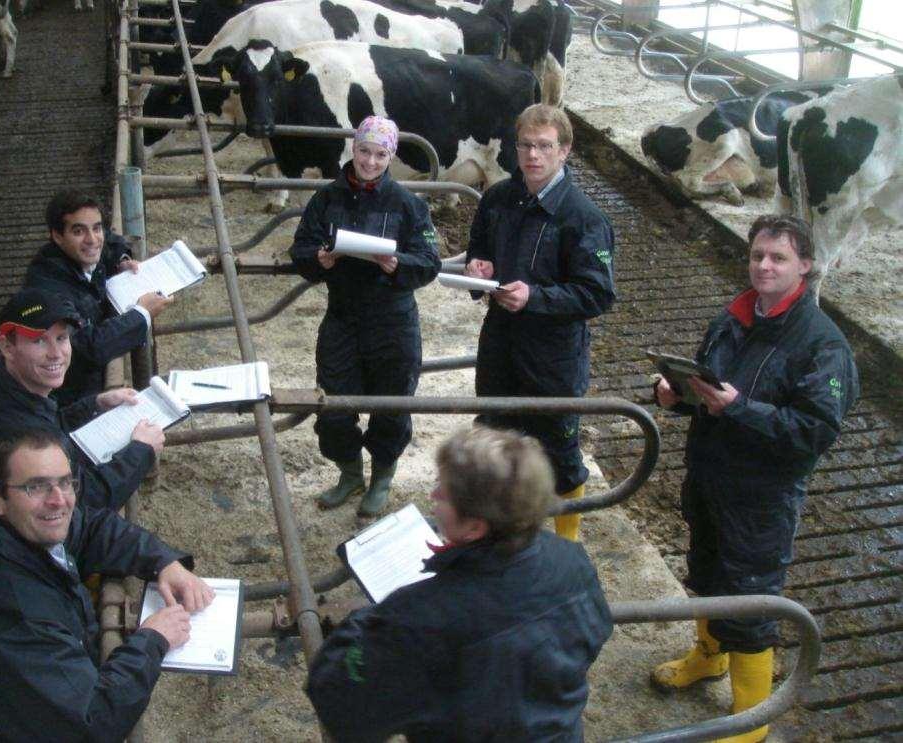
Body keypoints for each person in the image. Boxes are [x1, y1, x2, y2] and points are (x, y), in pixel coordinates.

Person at [649, 215, 858, 743]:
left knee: (749, 603)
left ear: (805, 266)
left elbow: (813, 431)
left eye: (779, 258)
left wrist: (740, 410)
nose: (764, 266)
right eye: (757, 255)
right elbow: (705, 382)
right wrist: (676, 394)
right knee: (705, 573)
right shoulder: (734, 316)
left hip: (762, 497)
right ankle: (707, 659)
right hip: (709, 477)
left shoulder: (823, 344)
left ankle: (750, 725)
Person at [305, 426, 613, 742]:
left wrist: (370, 622)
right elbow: (597, 633)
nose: (433, 494)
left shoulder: (418, 618)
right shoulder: (572, 560)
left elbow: (339, 703)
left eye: (444, 490)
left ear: (475, 527)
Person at [0, 430, 214, 740]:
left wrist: (163, 561)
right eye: (37, 487)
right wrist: (153, 639)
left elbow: (90, 526)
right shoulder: (16, 613)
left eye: (66, 482)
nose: (59, 500)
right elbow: (93, 720)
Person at [464, 103, 616, 543]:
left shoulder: (584, 217)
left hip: (553, 355)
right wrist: (479, 271)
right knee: (495, 435)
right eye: (526, 145)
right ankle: (502, 531)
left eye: (544, 146)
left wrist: (535, 297)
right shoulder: (496, 199)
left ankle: (566, 542)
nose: (533, 156)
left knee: (560, 451)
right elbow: (479, 250)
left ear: (564, 151)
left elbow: (597, 293)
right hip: (500, 343)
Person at [289, 115, 440, 517]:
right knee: (334, 403)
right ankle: (349, 473)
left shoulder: (409, 205)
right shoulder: (326, 199)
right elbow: (300, 249)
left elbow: (429, 262)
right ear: (352, 149)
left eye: (380, 154)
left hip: (393, 321)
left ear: (391, 156)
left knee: (391, 404)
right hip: (343, 317)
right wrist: (318, 258)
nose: (370, 162)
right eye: (364, 152)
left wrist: (396, 264)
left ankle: (381, 479)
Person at [0, 287, 164, 510]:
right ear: (7, 347)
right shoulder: (19, 436)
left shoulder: (0, 386)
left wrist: (94, 405)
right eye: (39, 341)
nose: (56, 353)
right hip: (24, 538)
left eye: (61, 338)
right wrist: (141, 451)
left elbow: (48, 422)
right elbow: (82, 501)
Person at [24, 189, 172, 406]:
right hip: (62, 397)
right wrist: (142, 314)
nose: (92, 239)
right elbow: (87, 347)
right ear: (57, 236)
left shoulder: (76, 253)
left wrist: (121, 260)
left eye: (97, 228)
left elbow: (111, 241)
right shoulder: (49, 289)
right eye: (78, 231)